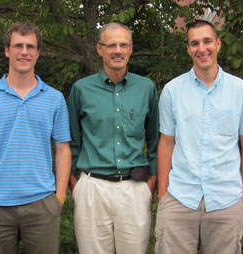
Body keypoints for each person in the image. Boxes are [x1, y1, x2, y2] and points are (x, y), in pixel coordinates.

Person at [155, 19, 243, 254]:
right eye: (194, 43)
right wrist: (163, 194)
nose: (201, 49)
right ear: (188, 49)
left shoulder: (241, 90)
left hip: (227, 201)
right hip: (180, 197)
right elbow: (166, 143)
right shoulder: (172, 91)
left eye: (207, 41)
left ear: (218, 44)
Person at [0, 22, 71, 254]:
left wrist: (59, 198)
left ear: (38, 52)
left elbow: (63, 149)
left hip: (42, 204)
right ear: (7, 50)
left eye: (30, 46)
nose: (24, 52)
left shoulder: (55, 99)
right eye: (18, 46)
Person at [68, 22, 159, 254]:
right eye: (111, 45)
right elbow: (71, 141)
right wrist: (75, 185)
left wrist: (151, 184)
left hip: (134, 189)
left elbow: (156, 140)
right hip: (91, 189)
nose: (117, 50)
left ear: (130, 49)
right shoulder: (81, 89)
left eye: (123, 45)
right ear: (100, 49)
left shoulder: (146, 88)